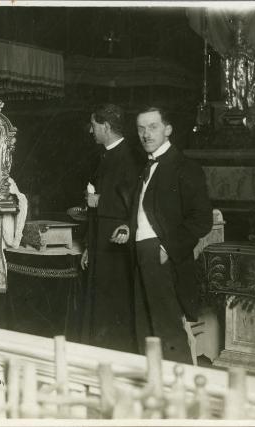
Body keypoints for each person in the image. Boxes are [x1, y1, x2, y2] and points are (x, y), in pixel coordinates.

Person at [130, 106, 212, 364]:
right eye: (141, 129)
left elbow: (202, 220)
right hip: (141, 253)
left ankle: (181, 390)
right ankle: (154, 390)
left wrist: (167, 249)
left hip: (164, 255)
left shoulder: (185, 167)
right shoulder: (145, 166)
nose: (146, 134)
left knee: (168, 329)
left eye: (153, 127)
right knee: (146, 327)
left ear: (168, 129)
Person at [80, 104, 141, 353]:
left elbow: (136, 202)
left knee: (114, 306)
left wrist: (99, 200)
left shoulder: (130, 156)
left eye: (94, 126)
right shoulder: (104, 155)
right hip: (100, 244)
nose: (91, 130)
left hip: (117, 244)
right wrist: (88, 245)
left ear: (105, 126)